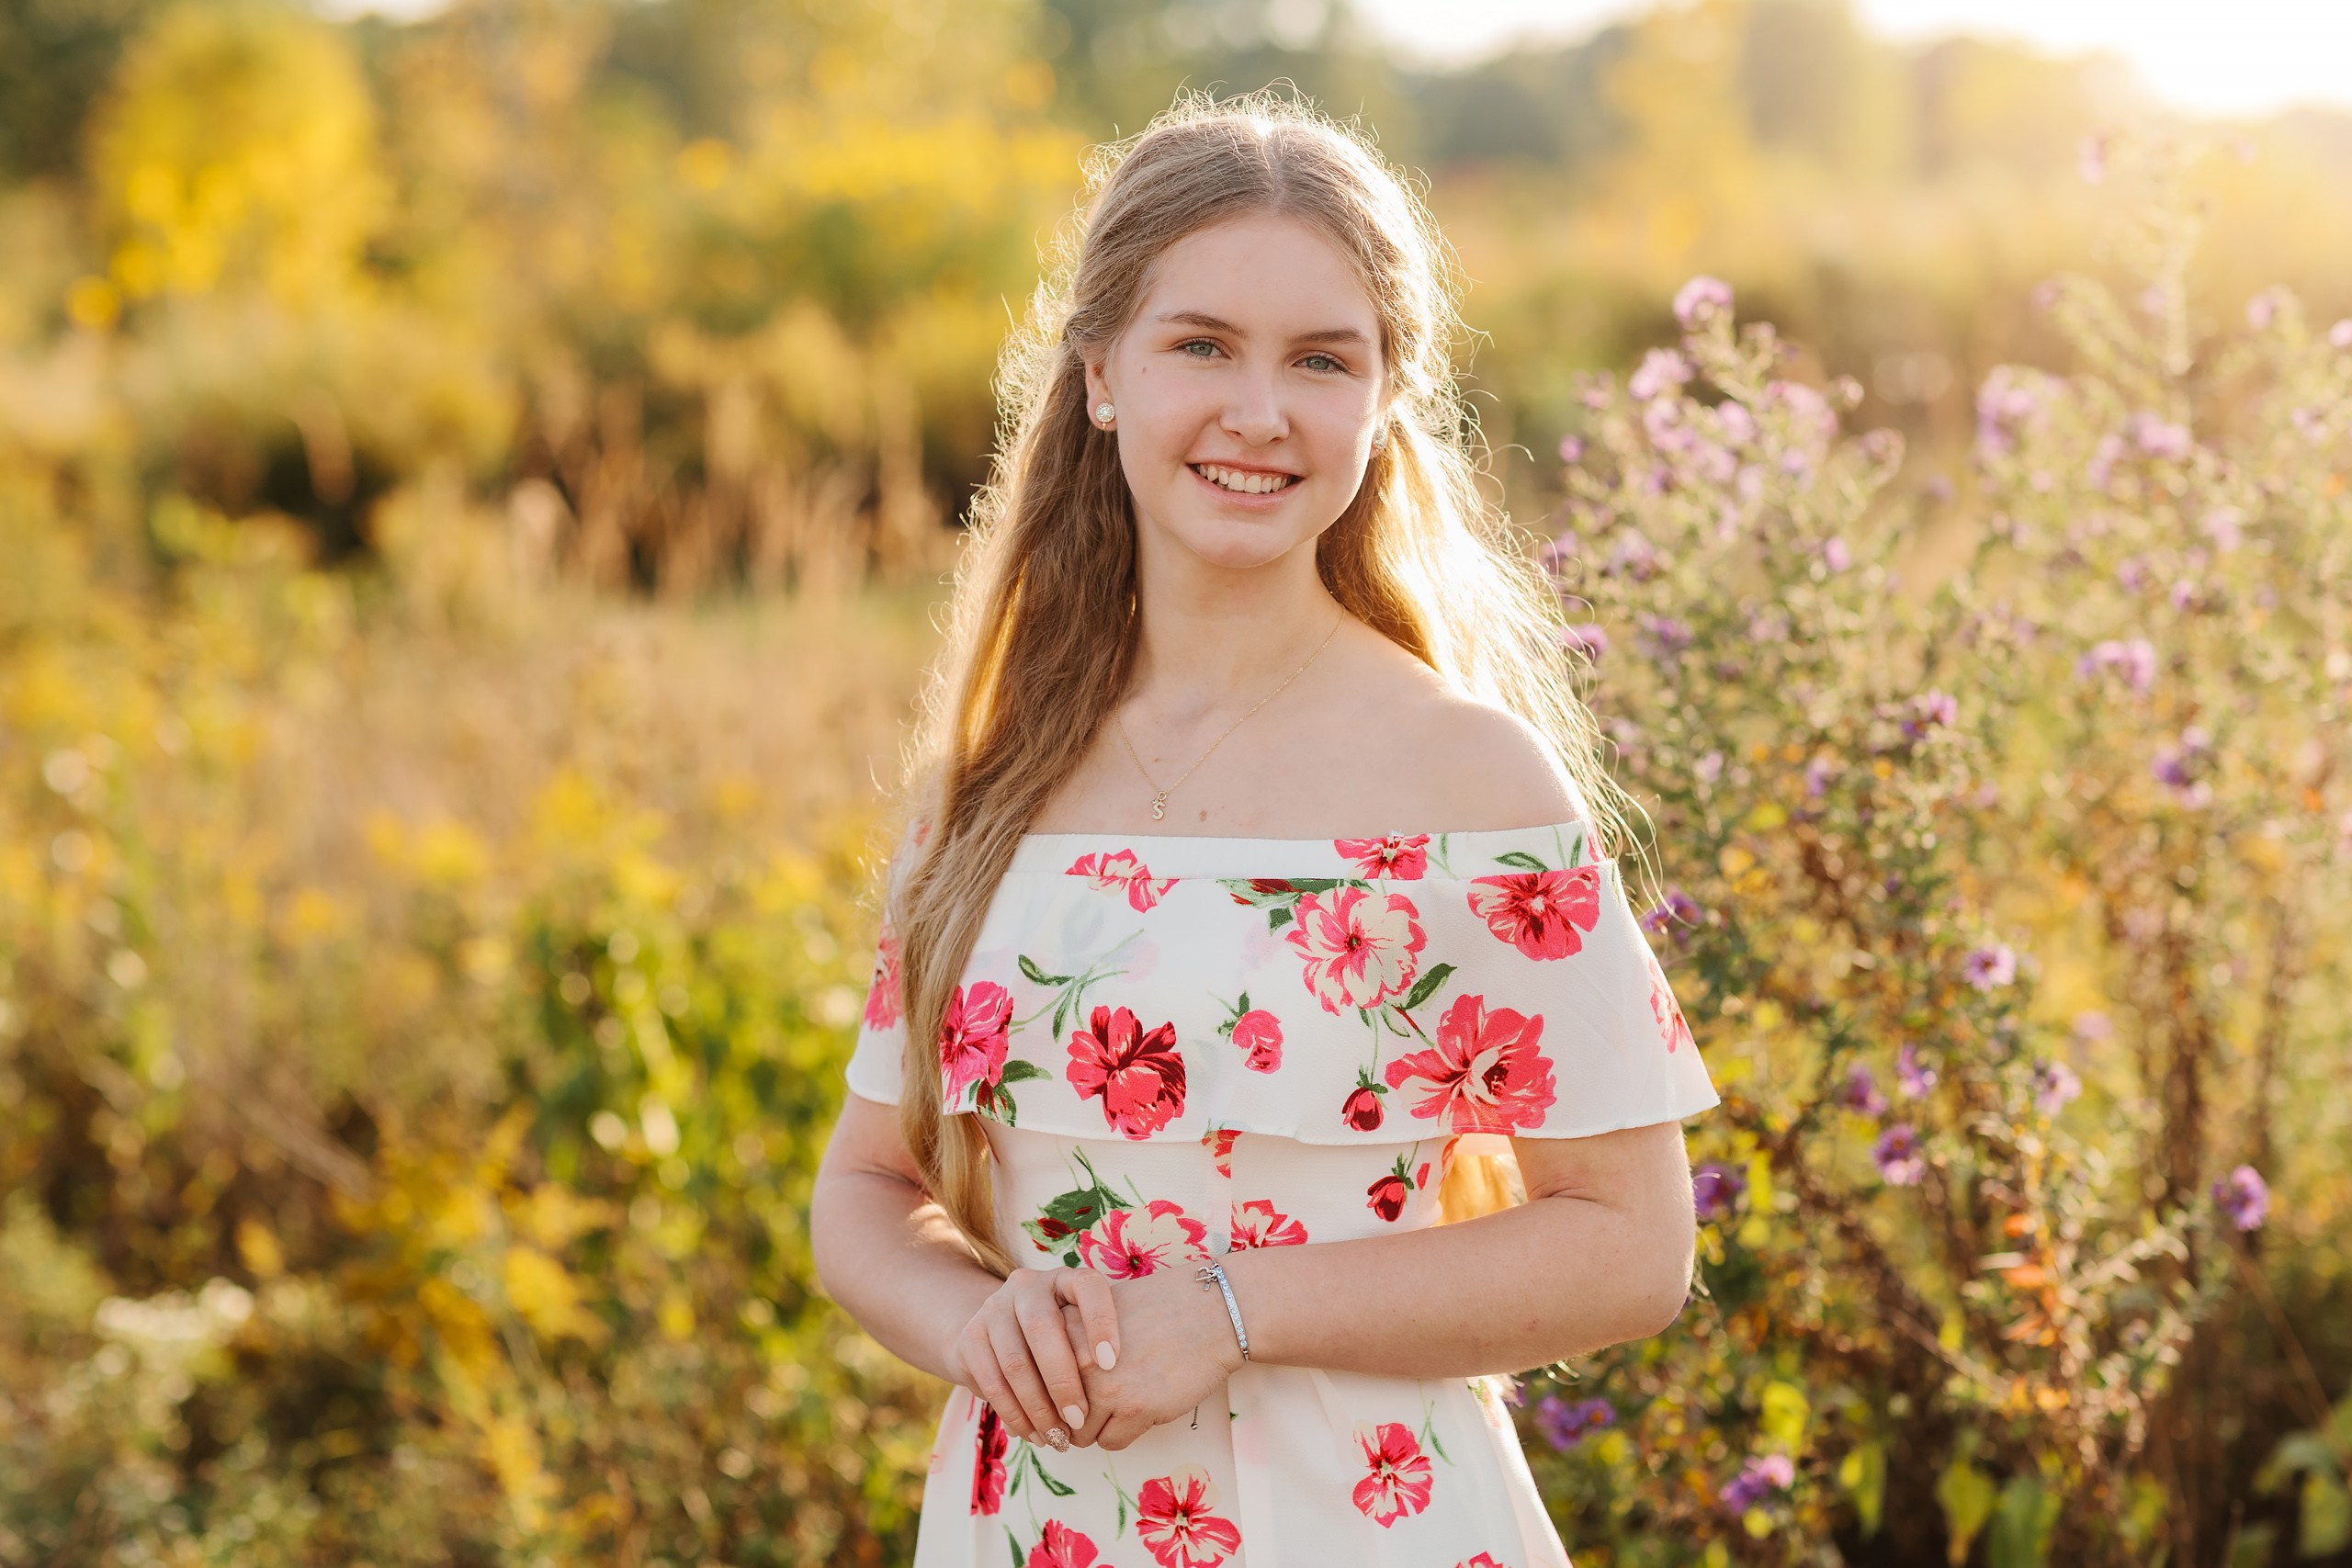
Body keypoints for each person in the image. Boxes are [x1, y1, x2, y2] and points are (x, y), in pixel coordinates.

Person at [809, 92, 1718, 1568]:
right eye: (1201, 345)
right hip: (1035, 1525)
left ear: (1382, 401)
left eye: (1321, 361)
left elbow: (1632, 1243)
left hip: (1364, 1520)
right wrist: (977, 1318)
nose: (1259, 411)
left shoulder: (1469, 785)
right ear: (1100, 372)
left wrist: (1230, 1310)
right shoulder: (989, 790)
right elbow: (865, 1191)